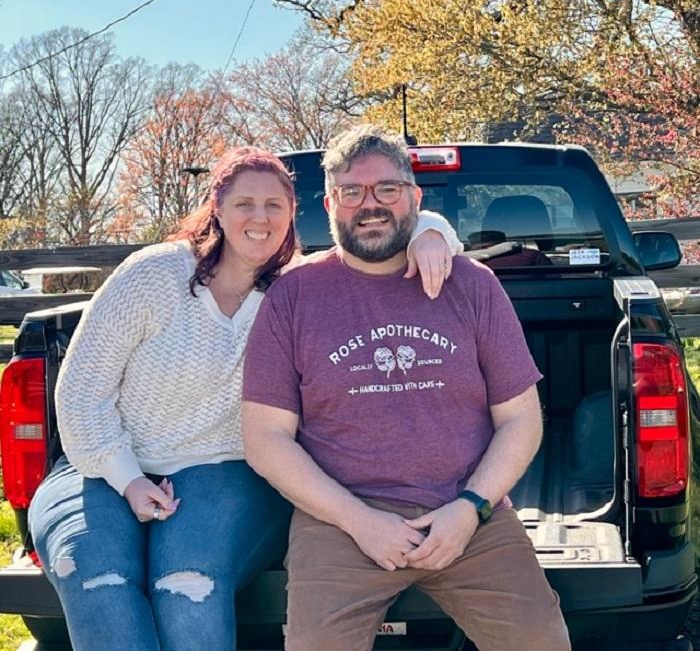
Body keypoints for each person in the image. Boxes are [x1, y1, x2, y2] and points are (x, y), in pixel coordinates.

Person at [28, 145, 461, 651]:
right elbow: (80, 394)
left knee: (186, 588)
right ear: (217, 207)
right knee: (97, 584)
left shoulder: (298, 288)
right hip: (98, 467)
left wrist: (432, 231)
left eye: (274, 206)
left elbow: (388, 225)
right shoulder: (152, 275)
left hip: (225, 471)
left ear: (293, 215)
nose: (260, 218)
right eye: (244, 204)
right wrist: (128, 480)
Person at [242, 126, 571, 651]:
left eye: (387, 190)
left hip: (469, 515)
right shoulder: (292, 298)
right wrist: (359, 520)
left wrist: (469, 510)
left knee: (541, 641)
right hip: (341, 523)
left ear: (415, 198)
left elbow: (521, 420)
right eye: (352, 192)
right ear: (331, 204)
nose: (370, 205)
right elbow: (265, 439)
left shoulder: (473, 285)